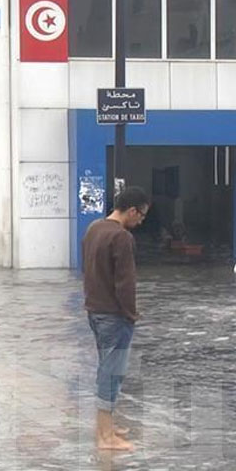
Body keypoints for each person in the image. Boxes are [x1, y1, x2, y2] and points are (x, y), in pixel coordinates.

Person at [82, 186, 149, 451]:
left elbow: (89, 272)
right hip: (114, 315)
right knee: (111, 374)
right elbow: (125, 284)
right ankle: (105, 438)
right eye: (142, 215)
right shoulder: (121, 237)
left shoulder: (94, 228)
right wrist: (131, 314)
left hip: (94, 311)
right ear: (132, 210)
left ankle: (107, 427)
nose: (141, 221)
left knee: (106, 370)